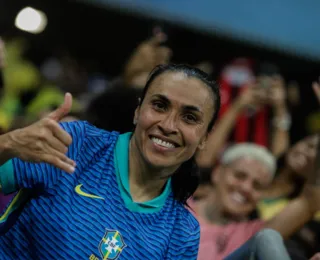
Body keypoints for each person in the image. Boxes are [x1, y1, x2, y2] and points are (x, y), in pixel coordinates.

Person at [0, 64, 220, 259]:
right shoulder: (76, 144)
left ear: (204, 138)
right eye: (160, 105)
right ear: (137, 111)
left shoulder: (183, 233)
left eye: (189, 118)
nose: (169, 125)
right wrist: (8, 143)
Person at [191, 136, 320, 260]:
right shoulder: (176, 203)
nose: (246, 188)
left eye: (257, 186)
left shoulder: (253, 234)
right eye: (239, 176)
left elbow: (309, 202)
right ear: (217, 173)